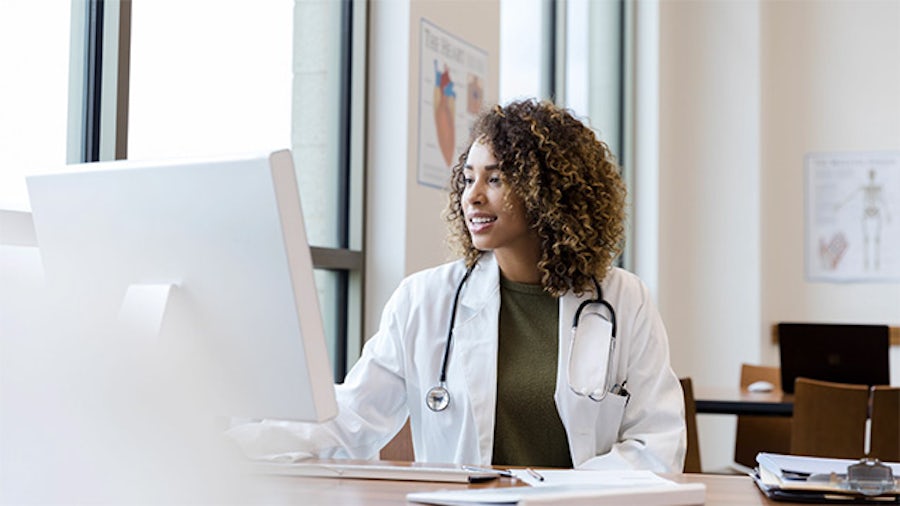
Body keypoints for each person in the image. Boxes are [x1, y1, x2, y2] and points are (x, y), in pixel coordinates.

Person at [227, 99, 686, 472]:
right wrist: (234, 440)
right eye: (468, 178)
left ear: (549, 192)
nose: (472, 195)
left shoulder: (624, 300)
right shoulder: (424, 300)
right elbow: (350, 419)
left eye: (496, 178)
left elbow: (656, 444)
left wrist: (555, 496)